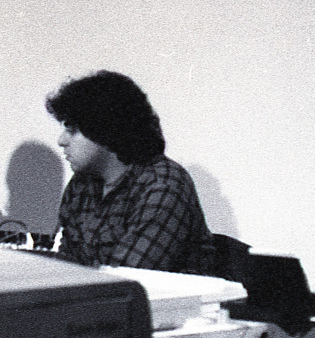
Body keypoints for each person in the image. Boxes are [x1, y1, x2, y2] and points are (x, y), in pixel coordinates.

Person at [47, 70, 215, 274]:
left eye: (72, 129)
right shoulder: (82, 183)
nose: (61, 141)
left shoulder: (163, 183)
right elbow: (64, 265)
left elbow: (126, 281)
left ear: (104, 129)